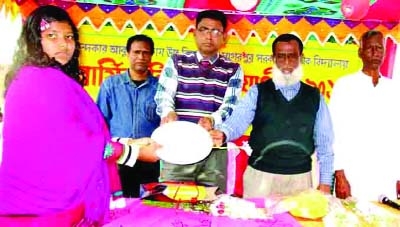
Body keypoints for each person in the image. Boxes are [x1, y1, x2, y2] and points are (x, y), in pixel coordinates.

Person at [0, 5, 159, 226]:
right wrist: (133, 151)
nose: (64, 44)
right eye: (51, 36)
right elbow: (77, 144)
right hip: (41, 210)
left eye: (69, 37)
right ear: (34, 41)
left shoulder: (45, 78)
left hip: (48, 204)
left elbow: (78, 133)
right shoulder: (40, 81)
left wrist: (128, 142)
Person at [210, 33, 334, 198]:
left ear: (301, 58)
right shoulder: (258, 92)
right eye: (281, 57)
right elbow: (237, 121)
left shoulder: (315, 96)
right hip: (260, 178)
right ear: (273, 59)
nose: (287, 63)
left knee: (296, 223)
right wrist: (223, 132)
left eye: (292, 56)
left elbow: (325, 143)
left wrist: (325, 182)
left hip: (300, 180)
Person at [154, 9, 244, 193]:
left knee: (212, 204)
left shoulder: (233, 69)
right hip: (177, 146)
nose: (209, 36)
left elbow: (231, 105)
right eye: (203, 29)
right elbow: (164, 95)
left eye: (216, 31)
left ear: (224, 38)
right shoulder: (177, 61)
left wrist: (213, 120)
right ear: (194, 33)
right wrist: (168, 112)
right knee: (171, 201)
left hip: (213, 149)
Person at [330, 30, 400, 201]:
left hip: (385, 176)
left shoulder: (394, 90)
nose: (375, 53)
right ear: (360, 52)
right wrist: (339, 174)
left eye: (379, 48)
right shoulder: (345, 85)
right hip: (353, 174)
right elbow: (333, 132)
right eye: (370, 48)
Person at [97, 34, 161, 198]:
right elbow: (100, 124)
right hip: (119, 159)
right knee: (119, 209)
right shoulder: (111, 85)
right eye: (136, 52)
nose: (141, 57)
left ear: (151, 56)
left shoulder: (160, 88)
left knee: (149, 211)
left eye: (146, 53)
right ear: (127, 54)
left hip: (150, 161)